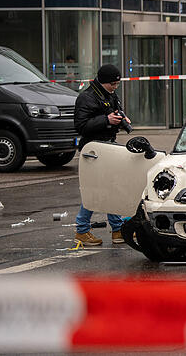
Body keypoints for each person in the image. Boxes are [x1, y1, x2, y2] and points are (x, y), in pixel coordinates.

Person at [73, 64, 131, 246]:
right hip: (93, 150)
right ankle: (83, 229)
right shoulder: (86, 98)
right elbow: (81, 126)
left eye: (117, 84)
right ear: (103, 81)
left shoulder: (109, 95)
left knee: (109, 187)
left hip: (107, 146)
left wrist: (121, 120)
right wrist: (106, 120)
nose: (115, 87)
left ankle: (116, 229)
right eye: (112, 84)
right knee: (96, 189)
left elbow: (113, 113)